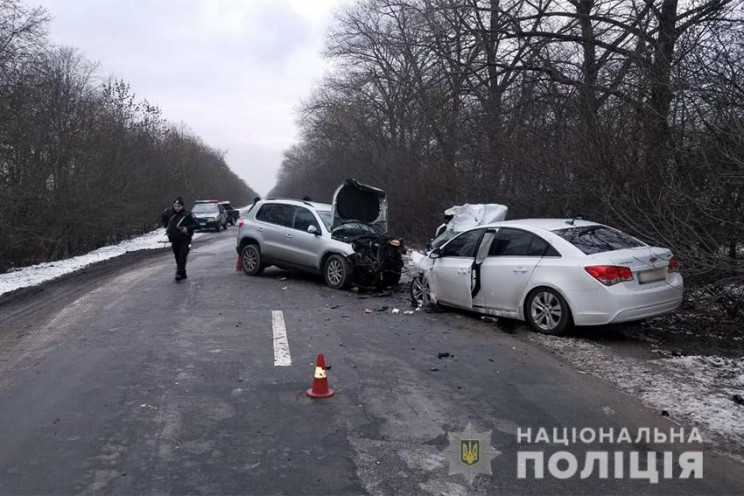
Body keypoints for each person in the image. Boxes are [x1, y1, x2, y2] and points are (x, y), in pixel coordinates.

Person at [160, 197, 198, 281]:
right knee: (177, 255)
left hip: (185, 238)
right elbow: (163, 216)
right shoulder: (169, 213)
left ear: (182, 206)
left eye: (178, 206)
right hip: (174, 238)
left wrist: (187, 228)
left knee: (182, 255)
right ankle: (182, 272)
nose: (176, 208)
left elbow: (197, 224)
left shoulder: (188, 214)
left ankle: (179, 272)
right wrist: (166, 226)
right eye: (175, 206)